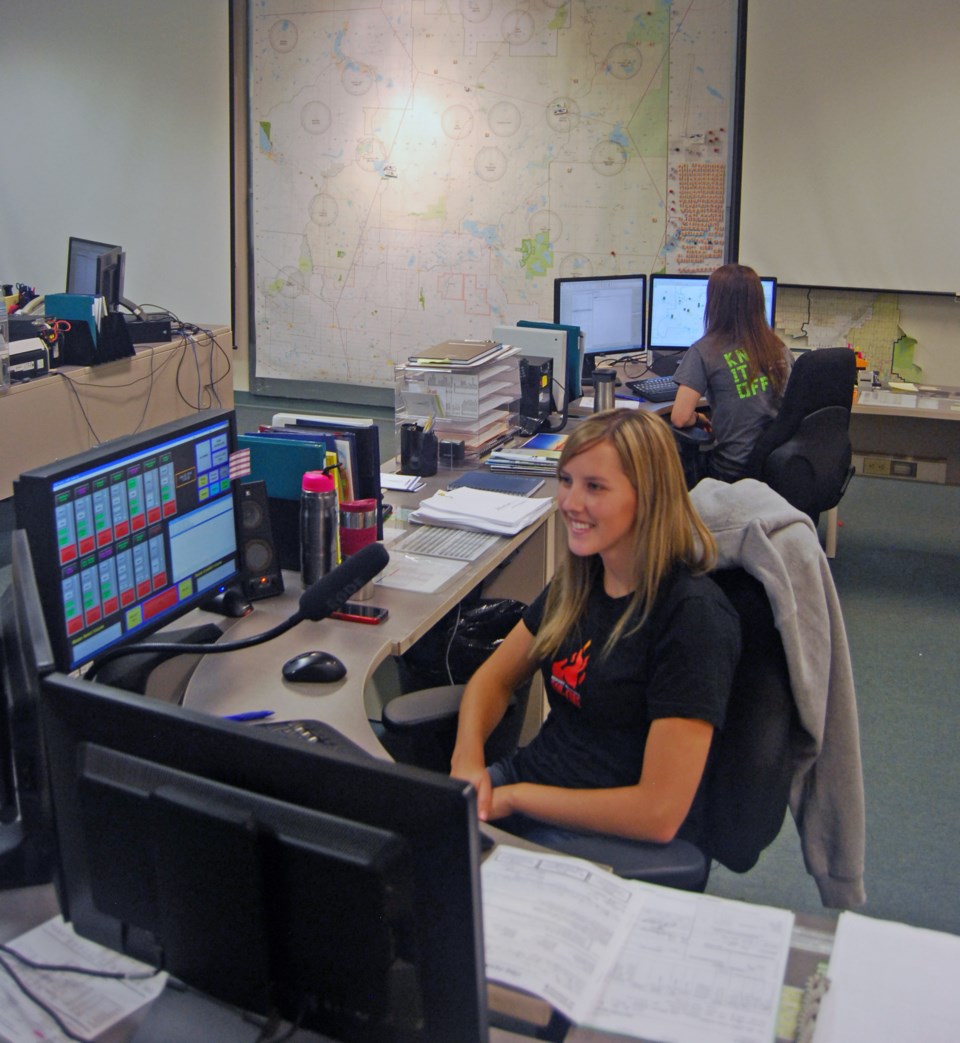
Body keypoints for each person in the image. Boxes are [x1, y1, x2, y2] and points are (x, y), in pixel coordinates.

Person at [449, 409, 741, 851]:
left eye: (594, 487)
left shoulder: (692, 618)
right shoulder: (581, 580)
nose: (569, 503)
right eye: (566, 481)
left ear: (647, 497)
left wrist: (515, 799)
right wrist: (467, 761)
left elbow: (658, 814)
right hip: (532, 788)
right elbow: (493, 678)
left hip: (608, 832)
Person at [671, 263, 793, 482]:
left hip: (730, 471)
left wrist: (699, 418)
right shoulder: (779, 348)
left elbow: (680, 418)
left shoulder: (704, 350)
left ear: (715, 304)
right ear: (757, 303)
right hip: (775, 468)